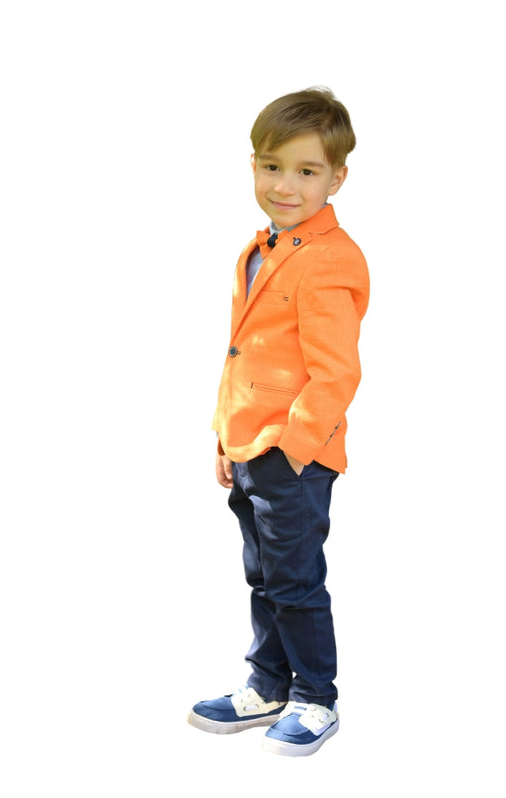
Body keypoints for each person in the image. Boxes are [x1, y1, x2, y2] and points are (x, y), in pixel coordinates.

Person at [187, 87, 370, 757]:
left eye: (306, 171)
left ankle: (316, 697)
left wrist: (293, 450)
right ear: (253, 165)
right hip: (249, 444)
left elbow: (336, 371)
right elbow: (246, 350)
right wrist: (224, 433)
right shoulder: (260, 248)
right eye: (271, 166)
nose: (284, 185)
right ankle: (268, 684)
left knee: (295, 581)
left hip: (294, 453)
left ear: (337, 178)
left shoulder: (330, 258)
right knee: (262, 575)